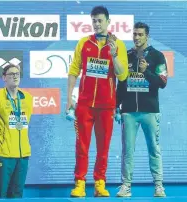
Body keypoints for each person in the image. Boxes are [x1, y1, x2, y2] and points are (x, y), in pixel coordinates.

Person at [66, 5, 128, 197]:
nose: (97, 24)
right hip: (84, 105)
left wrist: (114, 54)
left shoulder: (119, 45)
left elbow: (122, 74)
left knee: (103, 147)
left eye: (100, 20)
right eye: (94, 21)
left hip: (107, 105)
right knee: (81, 146)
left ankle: (100, 184)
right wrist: (69, 98)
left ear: (108, 22)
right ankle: (80, 183)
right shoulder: (83, 43)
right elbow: (74, 71)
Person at [116, 22, 167, 197]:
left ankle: (159, 186)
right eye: (134, 34)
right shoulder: (127, 56)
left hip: (150, 111)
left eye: (140, 35)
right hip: (129, 112)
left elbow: (162, 83)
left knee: (154, 148)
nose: (136, 38)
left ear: (147, 36)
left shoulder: (157, 56)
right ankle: (126, 186)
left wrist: (146, 72)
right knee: (127, 150)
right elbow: (121, 84)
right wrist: (117, 106)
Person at [0, 64, 33, 198]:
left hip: (23, 156)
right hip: (3, 155)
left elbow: (25, 123)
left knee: (17, 194)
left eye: (17, 73)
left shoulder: (27, 98)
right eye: (11, 74)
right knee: (0, 194)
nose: (15, 76)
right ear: (4, 78)